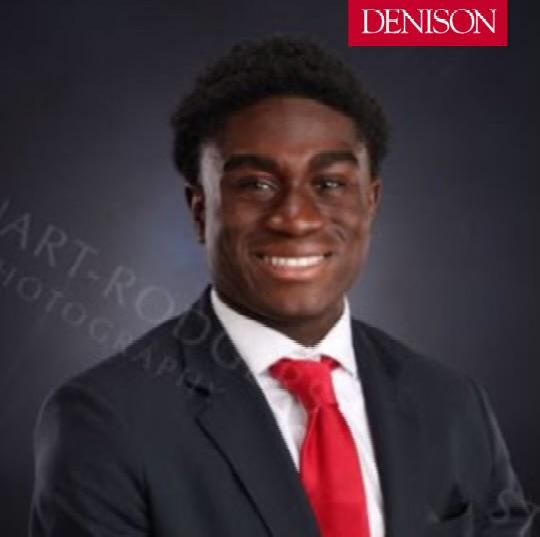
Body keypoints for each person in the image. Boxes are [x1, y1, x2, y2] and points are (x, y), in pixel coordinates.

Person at [30, 37, 533, 537]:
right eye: (256, 185)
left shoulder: (454, 406)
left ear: (370, 203)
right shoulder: (104, 422)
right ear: (201, 211)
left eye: (329, 184)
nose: (295, 218)